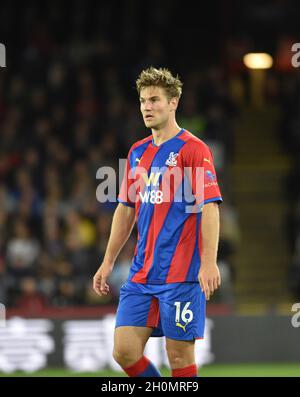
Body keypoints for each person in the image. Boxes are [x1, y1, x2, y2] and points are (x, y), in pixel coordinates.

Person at [93, 67, 222, 377]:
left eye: (154, 100)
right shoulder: (137, 152)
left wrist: (209, 263)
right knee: (124, 350)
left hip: (182, 274)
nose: (146, 108)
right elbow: (125, 210)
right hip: (142, 273)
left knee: (179, 357)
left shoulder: (194, 150)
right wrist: (107, 261)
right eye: (142, 101)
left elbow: (210, 207)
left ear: (173, 102)